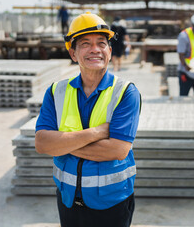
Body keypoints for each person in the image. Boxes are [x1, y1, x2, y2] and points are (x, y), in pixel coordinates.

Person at [35, 12, 141, 227]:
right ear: (73, 54)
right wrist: (97, 132)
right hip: (68, 200)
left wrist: (62, 144)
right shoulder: (56, 92)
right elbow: (42, 143)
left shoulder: (126, 92)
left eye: (101, 43)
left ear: (110, 52)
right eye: (85, 44)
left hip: (112, 203)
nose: (95, 49)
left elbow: (117, 151)